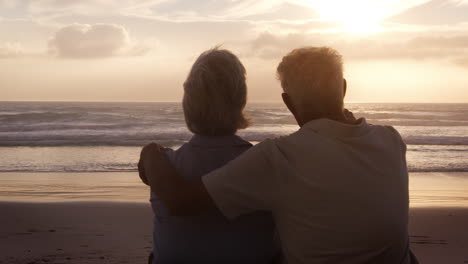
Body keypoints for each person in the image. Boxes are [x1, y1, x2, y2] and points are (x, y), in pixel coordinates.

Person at [140, 47, 416, 264]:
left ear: (288, 102)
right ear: (343, 88)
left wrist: (151, 155)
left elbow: (180, 201)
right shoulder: (391, 140)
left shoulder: (280, 158)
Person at [138, 48, 279, 264]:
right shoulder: (269, 166)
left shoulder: (162, 166)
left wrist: (150, 152)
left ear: (188, 98)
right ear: (240, 100)